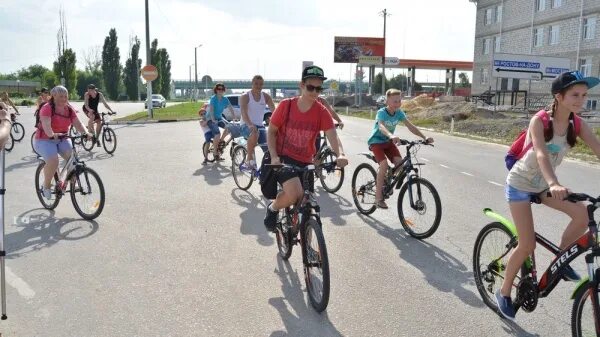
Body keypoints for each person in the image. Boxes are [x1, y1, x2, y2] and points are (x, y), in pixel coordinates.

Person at [495, 71, 600, 322]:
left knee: (583, 214)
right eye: (575, 94)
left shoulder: (577, 124)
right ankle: (504, 291)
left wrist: (551, 184)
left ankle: (560, 260)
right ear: (559, 96)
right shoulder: (539, 121)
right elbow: (541, 155)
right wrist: (554, 183)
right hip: (521, 184)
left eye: (584, 95)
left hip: (543, 185)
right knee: (527, 244)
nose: (580, 99)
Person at [263, 65, 348, 231]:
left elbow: (333, 135)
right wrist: (274, 156)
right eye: (311, 87)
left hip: (305, 161)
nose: (315, 92)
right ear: (301, 85)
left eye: (319, 88)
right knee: (294, 193)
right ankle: (273, 208)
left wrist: (341, 154)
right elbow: (272, 131)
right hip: (283, 158)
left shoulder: (322, 112)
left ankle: (309, 243)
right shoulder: (286, 106)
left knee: (306, 202)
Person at [367, 88, 433, 209]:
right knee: (384, 165)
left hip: (388, 143)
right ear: (387, 101)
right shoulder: (381, 112)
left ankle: (386, 181)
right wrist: (391, 135)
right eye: (394, 101)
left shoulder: (399, 113)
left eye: (399, 101)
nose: (397, 103)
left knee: (400, 164)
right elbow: (381, 126)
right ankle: (378, 198)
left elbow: (410, 126)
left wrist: (424, 137)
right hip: (376, 142)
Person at [34, 86, 91, 199]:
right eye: (61, 96)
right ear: (53, 96)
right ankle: (46, 185)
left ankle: (65, 181)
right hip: (44, 139)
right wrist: (52, 134)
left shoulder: (69, 109)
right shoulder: (47, 108)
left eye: (66, 96)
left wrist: (86, 133)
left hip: (62, 138)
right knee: (53, 161)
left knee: (72, 160)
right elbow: (46, 124)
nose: (64, 99)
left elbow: (78, 124)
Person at [240, 75, 276, 168]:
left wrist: (278, 121)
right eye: (256, 83)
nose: (258, 86)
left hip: (260, 126)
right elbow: (244, 113)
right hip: (246, 125)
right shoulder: (245, 96)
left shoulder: (266, 96)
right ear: (252, 83)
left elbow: (275, 111)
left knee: (269, 149)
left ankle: (266, 173)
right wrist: (250, 125)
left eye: (261, 84)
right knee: (254, 132)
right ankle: (248, 160)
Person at [207, 83, 235, 161]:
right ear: (216, 90)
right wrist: (213, 119)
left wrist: (234, 117)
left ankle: (220, 141)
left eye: (222, 89)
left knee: (228, 127)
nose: (220, 90)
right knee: (217, 133)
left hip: (219, 118)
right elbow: (211, 110)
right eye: (219, 89)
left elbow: (230, 108)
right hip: (210, 118)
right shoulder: (213, 98)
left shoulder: (225, 99)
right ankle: (215, 152)